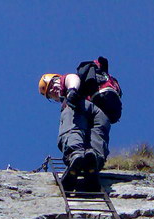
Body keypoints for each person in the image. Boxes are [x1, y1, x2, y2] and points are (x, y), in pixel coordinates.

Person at [39, 58, 122, 192]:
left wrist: (71, 91)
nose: (53, 89)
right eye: (49, 92)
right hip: (102, 113)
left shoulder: (67, 84)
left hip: (81, 106)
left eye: (52, 84)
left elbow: (72, 78)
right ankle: (93, 163)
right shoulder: (92, 88)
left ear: (57, 78)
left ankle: (76, 155)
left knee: (72, 129)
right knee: (97, 137)